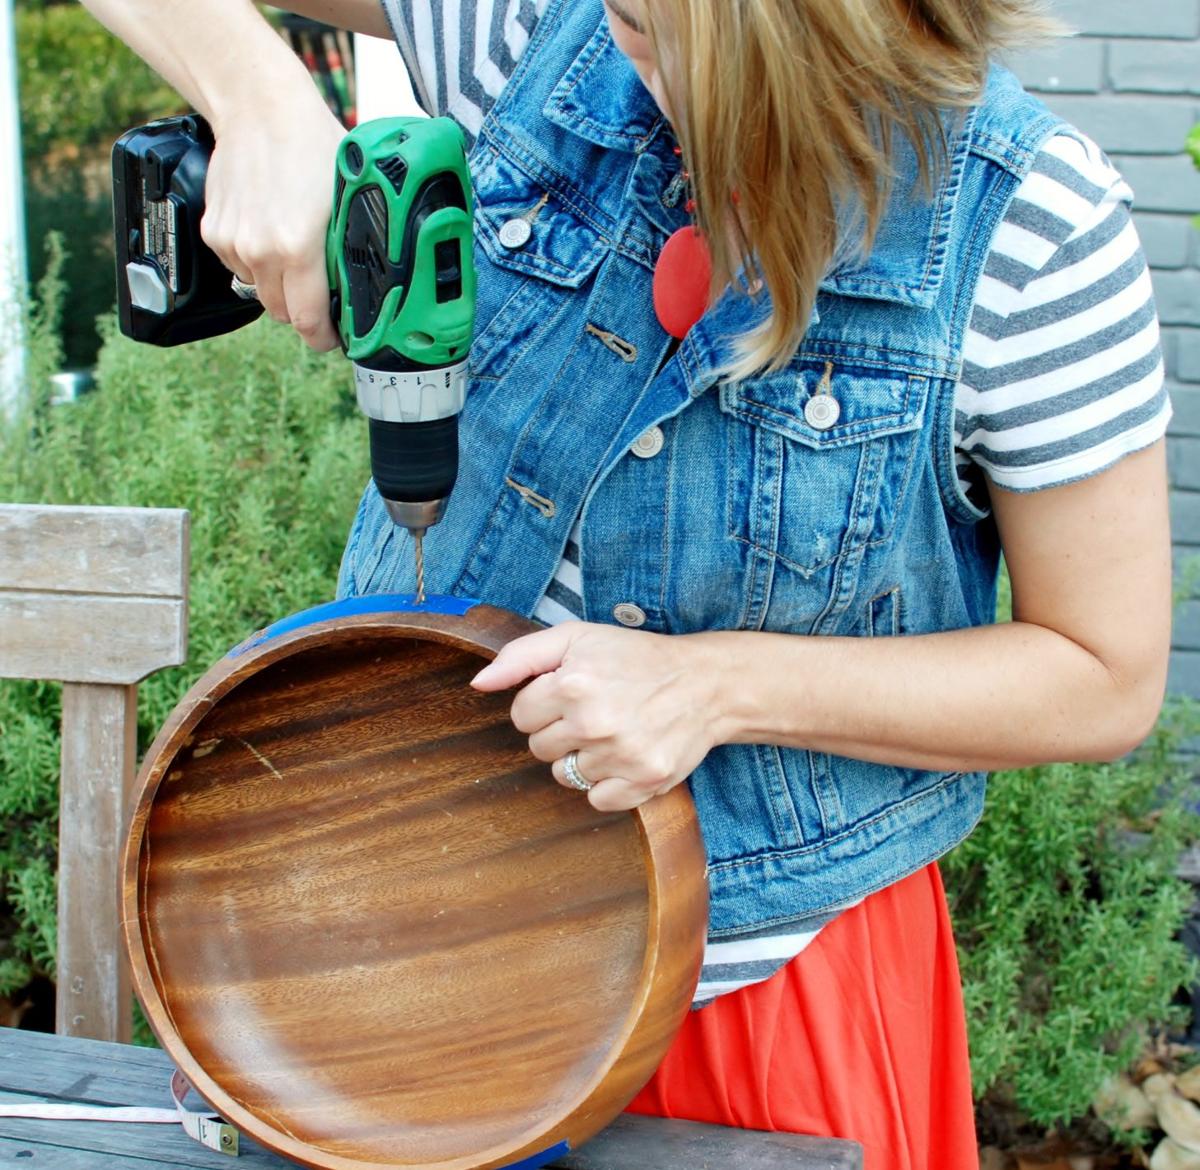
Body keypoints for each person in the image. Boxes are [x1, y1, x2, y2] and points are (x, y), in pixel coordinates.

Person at [79, 0, 1174, 1165]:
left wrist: (715, 688)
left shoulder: (1031, 227)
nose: (657, 88)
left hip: (755, 984)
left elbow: (1102, 676)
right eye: (637, 24)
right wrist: (259, 99)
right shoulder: (520, 33)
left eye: (712, 46)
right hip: (387, 948)